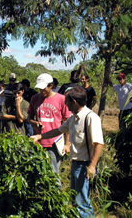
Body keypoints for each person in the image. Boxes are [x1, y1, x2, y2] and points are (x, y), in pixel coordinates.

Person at [30, 86, 104, 218]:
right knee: (76, 200)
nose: (65, 104)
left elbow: (98, 143)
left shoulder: (90, 118)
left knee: (82, 202)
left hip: (85, 165)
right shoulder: (73, 118)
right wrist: (39, 136)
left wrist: (92, 166)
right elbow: (59, 130)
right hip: (76, 164)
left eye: (67, 102)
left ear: (74, 102)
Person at [27, 73, 71, 184]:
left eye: (43, 88)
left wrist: (67, 143)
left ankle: (55, 197)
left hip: (54, 143)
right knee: (38, 171)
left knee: (53, 172)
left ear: (51, 85)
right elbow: (29, 118)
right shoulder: (35, 98)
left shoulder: (61, 99)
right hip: (37, 141)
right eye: (39, 89)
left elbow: (68, 123)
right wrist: (35, 123)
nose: (41, 91)